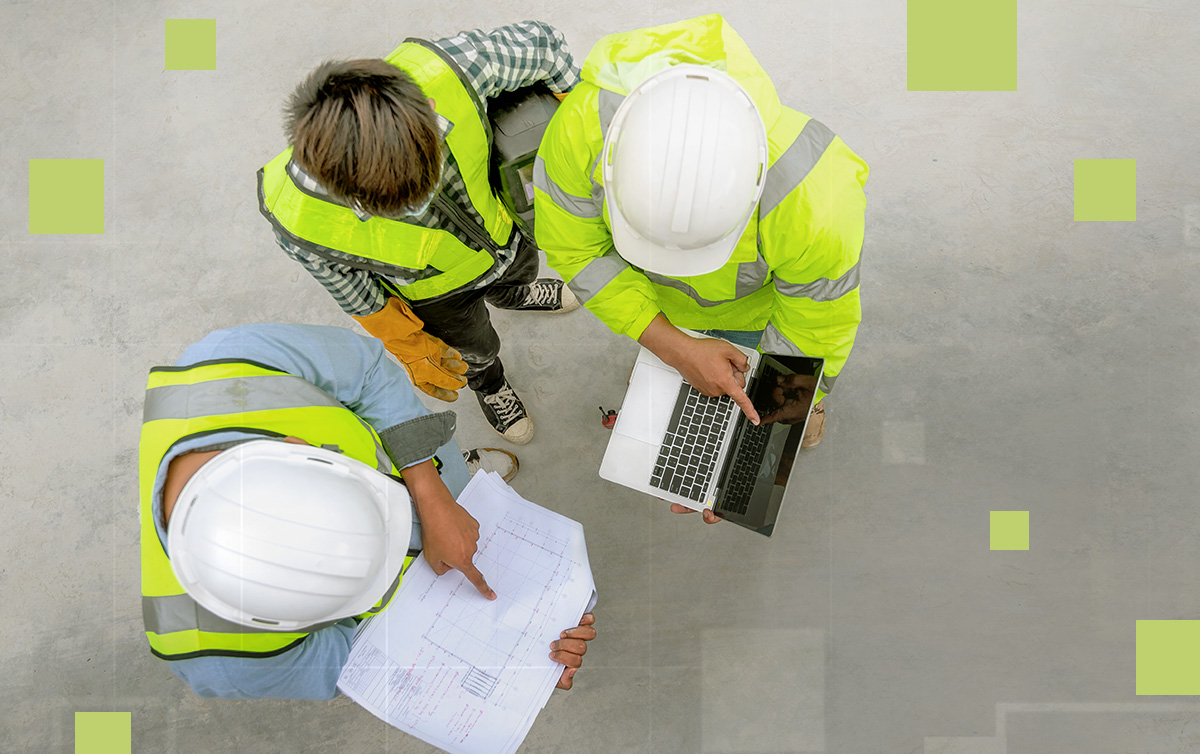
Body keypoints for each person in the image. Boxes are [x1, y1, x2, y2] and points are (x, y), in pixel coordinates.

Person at [138, 323, 595, 699]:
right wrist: (516, 659)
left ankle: (461, 476)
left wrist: (430, 488)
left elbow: (369, 374)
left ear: (294, 446)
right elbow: (364, 665)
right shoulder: (223, 664)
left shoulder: (232, 362)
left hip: (425, 478)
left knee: (444, 467)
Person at [533, 14, 868, 522]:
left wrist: (763, 439)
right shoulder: (583, 131)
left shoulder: (813, 199)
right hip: (662, 312)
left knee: (784, 390)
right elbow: (577, 252)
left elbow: (814, 329)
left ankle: (805, 410)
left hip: (758, 318)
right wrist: (671, 345)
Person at [258, 22, 583, 446]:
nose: (422, 204)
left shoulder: (452, 71)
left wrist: (581, 130)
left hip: (506, 233)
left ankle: (514, 295)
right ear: (339, 187)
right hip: (438, 294)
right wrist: (410, 343)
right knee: (475, 350)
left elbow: (545, 46)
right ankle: (490, 385)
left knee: (520, 271)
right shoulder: (299, 219)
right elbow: (357, 293)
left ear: (427, 108)